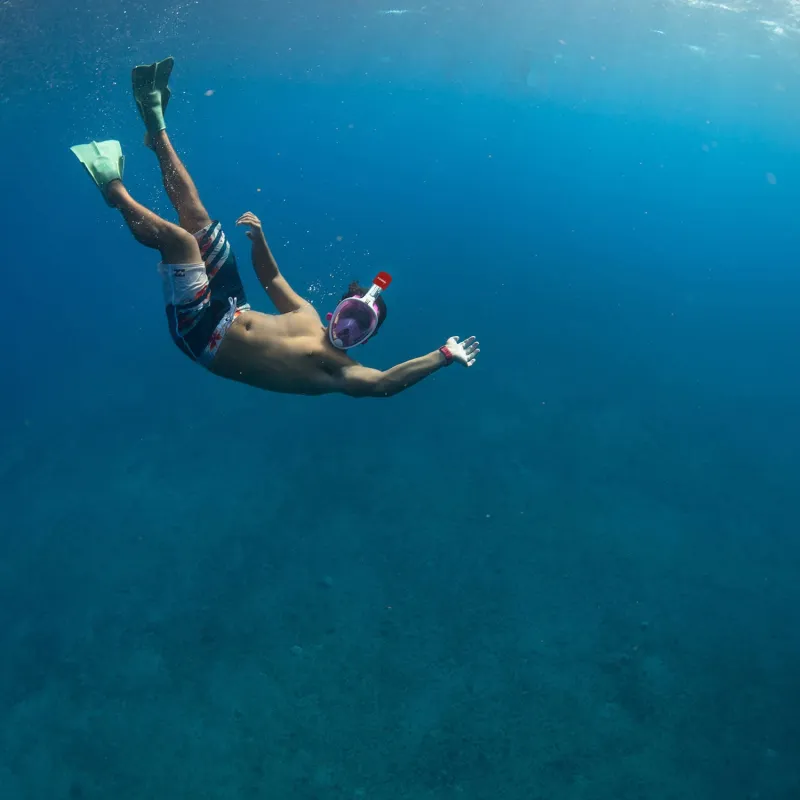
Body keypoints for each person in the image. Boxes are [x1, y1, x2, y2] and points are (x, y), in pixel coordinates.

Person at [70, 57, 480, 397]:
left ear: (366, 340)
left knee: (180, 242)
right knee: (198, 220)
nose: (348, 328)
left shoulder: (337, 370)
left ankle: (114, 191)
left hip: (200, 336)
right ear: (336, 310)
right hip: (232, 307)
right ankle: (155, 126)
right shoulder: (306, 314)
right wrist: (260, 241)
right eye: (351, 315)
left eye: (360, 327)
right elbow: (271, 277)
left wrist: (442, 355)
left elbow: (384, 384)